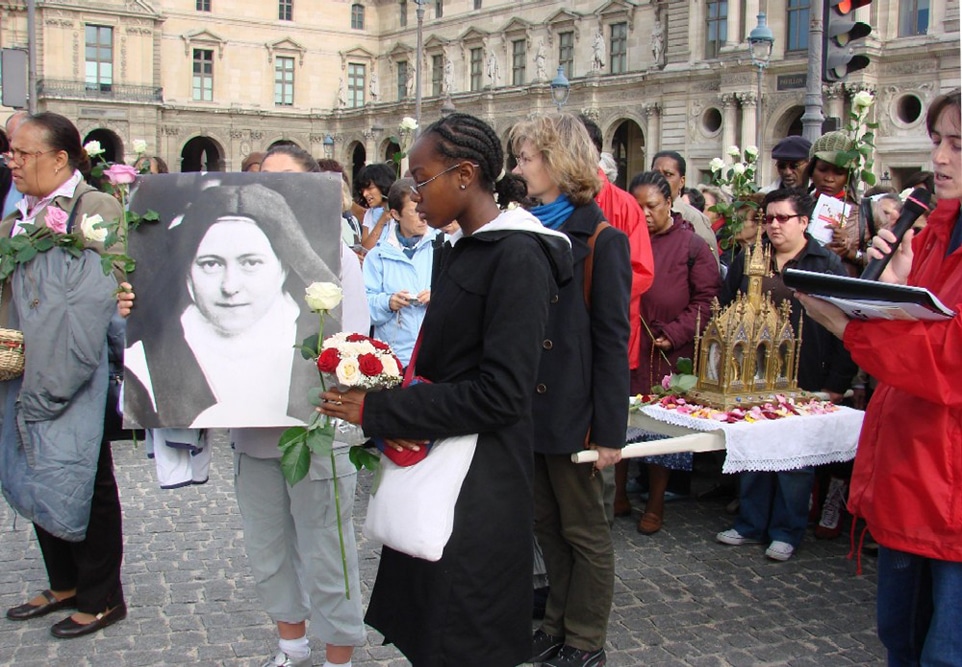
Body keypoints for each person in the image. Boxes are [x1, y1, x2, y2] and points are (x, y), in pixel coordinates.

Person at [319, 112, 573, 667]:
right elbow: (449, 362)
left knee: (465, 636)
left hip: (478, 485)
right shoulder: (459, 247)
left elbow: (502, 393)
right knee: (432, 631)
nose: (407, 191)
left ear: (464, 175)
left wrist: (382, 408)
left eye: (420, 176)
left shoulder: (518, 257)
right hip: (440, 464)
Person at [797, 89, 962, 665]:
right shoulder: (937, 230)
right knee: (901, 639)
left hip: (951, 491)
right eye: (937, 141)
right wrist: (888, 284)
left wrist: (849, 326)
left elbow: (946, 360)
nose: (938, 159)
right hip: (911, 475)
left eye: (957, 145)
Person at [510, 113, 631, 667]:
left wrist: (609, 433)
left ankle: (586, 640)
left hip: (575, 411)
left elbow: (612, 343)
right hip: (531, 410)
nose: (518, 169)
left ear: (558, 163)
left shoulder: (603, 240)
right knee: (546, 528)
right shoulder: (527, 228)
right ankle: (556, 625)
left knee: (584, 531)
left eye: (526, 158)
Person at [0, 111, 126, 638]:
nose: (13, 162)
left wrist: (62, 360)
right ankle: (65, 581)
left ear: (60, 158)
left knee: (86, 476)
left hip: (77, 369)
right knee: (34, 467)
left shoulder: (93, 209)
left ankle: (102, 596)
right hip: (22, 369)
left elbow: (103, 288)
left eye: (24, 153)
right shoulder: (15, 219)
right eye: (10, 152)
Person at [123, 180, 340, 428]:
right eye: (211, 264)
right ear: (187, 274)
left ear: (283, 269)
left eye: (250, 263)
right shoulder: (141, 363)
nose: (230, 286)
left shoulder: (327, 348)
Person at [715, 187, 857, 562]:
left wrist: (836, 383)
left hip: (806, 375)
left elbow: (847, 329)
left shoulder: (823, 263)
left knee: (795, 460)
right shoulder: (749, 258)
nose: (773, 226)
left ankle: (787, 530)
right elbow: (726, 307)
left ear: (804, 222)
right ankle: (750, 523)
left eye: (782, 218)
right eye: (768, 218)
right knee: (755, 452)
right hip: (751, 375)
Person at [615, 171, 719, 534]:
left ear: (669, 204)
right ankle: (618, 494)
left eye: (652, 206)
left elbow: (707, 301)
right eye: (637, 206)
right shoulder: (623, 239)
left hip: (666, 351)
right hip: (627, 347)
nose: (644, 213)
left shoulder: (691, 247)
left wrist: (674, 334)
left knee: (661, 430)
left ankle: (656, 503)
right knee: (622, 422)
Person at [363, 177, 437, 366]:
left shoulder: (441, 246)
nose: (423, 217)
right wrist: (388, 302)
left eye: (425, 208)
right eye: (414, 212)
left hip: (434, 358)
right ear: (395, 214)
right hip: (393, 361)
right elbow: (364, 307)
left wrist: (438, 297)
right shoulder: (377, 256)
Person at [805, 131, 863, 275]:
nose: (829, 179)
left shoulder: (867, 211)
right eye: (823, 170)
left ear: (848, 176)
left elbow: (887, 261)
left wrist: (851, 253)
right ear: (812, 170)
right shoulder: (797, 207)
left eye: (838, 172)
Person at [651, 150, 720, 260]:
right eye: (656, 174)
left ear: (682, 181)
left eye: (668, 174)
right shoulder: (638, 213)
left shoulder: (695, 220)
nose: (660, 179)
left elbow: (708, 270)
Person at [354, 162, 396, 251]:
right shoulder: (369, 214)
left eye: (370, 188)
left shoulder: (399, 211)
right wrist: (381, 221)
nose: (365, 194)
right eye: (363, 190)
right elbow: (365, 249)